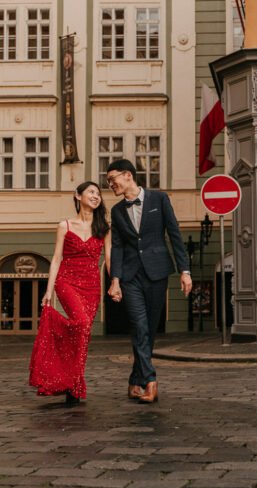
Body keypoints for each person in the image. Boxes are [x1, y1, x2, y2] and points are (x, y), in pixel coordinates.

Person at [106, 158, 192, 404]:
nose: (110, 184)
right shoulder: (117, 211)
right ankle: (150, 381)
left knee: (150, 328)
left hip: (157, 272)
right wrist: (115, 280)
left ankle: (135, 379)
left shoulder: (159, 199)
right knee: (139, 326)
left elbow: (174, 234)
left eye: (112, 179)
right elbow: (118, 247)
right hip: (130, 276)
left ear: (128, 175)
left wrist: (185, 271)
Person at [29, 181, 110, 406]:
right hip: (67, 282)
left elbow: (109, 258)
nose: (96, 196)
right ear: (78, 195)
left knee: (83, 334)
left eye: (98, 193)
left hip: (91, 285)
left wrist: (116, 283)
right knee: (81, 323)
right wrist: (48, 291)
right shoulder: (64, 225)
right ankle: (71, 380)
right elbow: (56, 259)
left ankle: (73, 384)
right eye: (91, 192)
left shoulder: (104, 228)